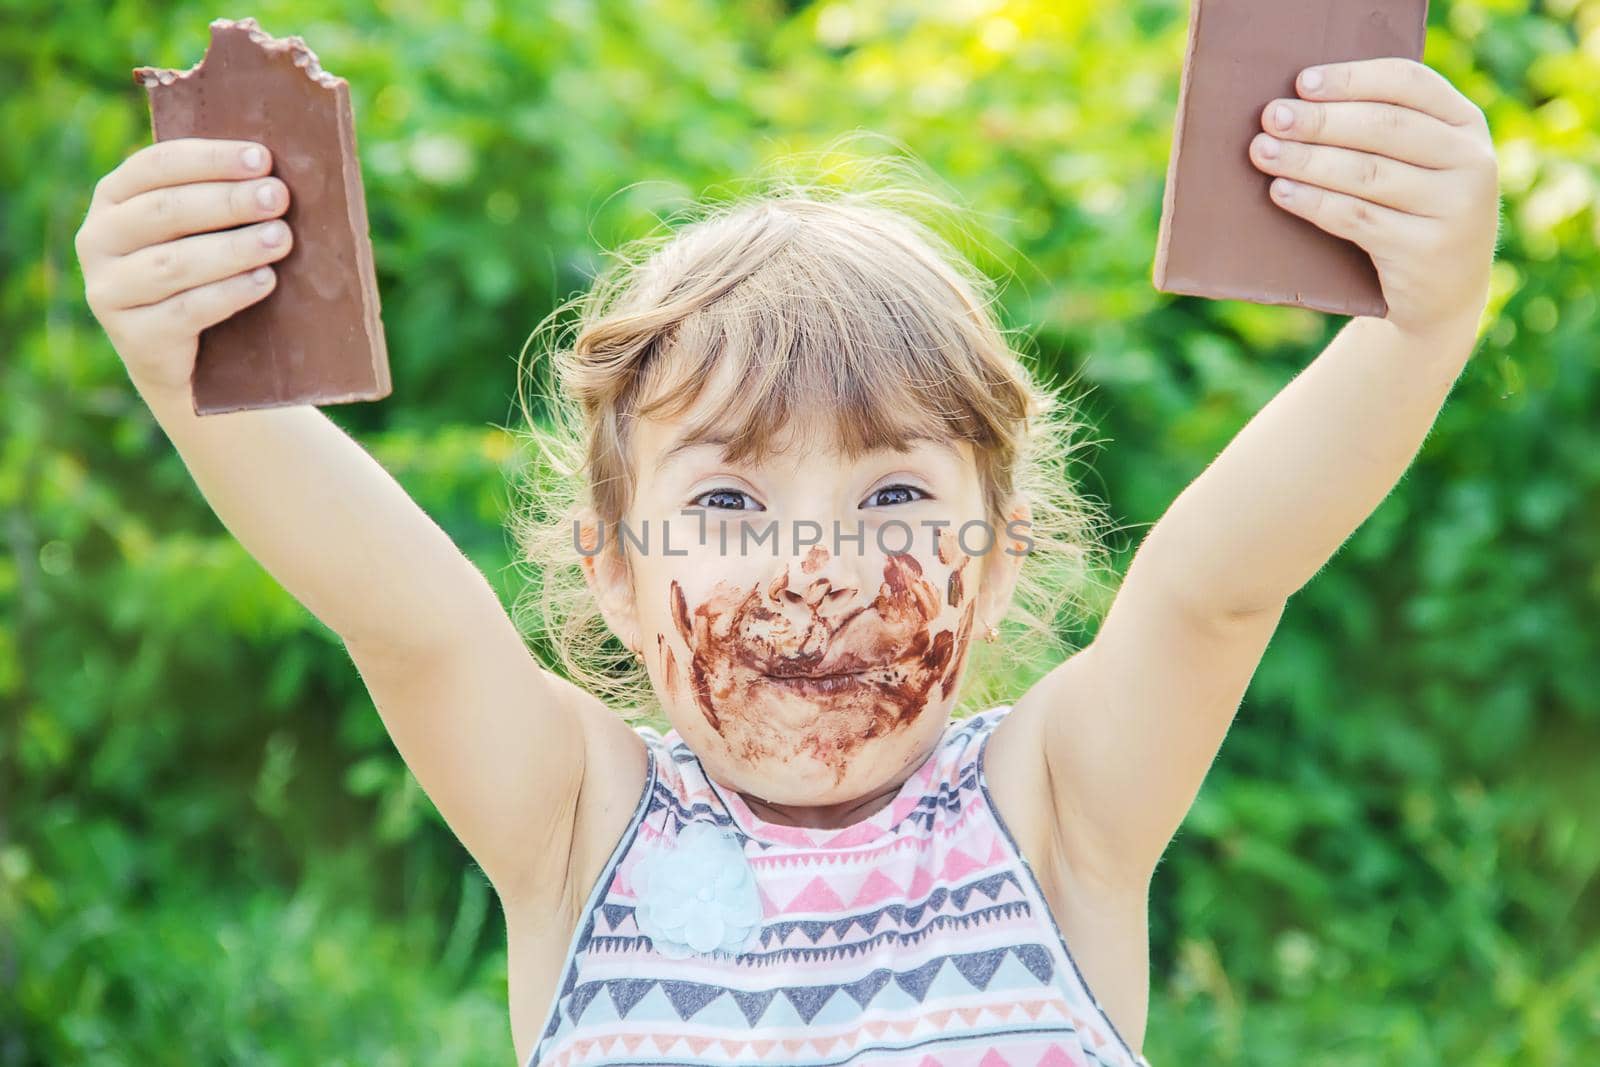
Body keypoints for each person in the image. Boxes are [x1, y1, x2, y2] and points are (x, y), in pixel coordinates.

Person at [73, 55, 1498, 1067]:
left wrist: (1416, 330)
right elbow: (410, 624)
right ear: (618, 575)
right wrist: (199, 376)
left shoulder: (1054, 815)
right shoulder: (581, 827)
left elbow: (1214, 581)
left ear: (999, 562)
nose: (815, 565)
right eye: (733, 508)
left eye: (891, 493)